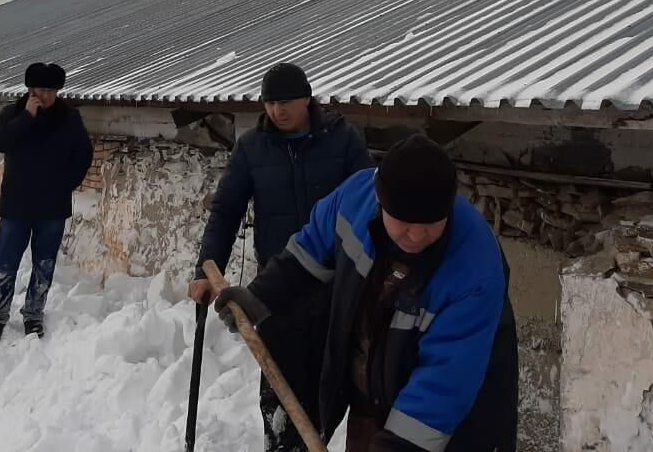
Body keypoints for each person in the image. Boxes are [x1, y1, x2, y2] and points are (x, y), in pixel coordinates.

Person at [215, 134, 519, 452]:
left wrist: (398, 446)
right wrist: (260, 296)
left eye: (430, 223)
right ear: (380, 202)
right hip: (371, 398)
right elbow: (309, 253)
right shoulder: (355, 201)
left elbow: (446, 381)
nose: (416, 235)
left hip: (448, 424)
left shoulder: (474, 267)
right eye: (403, 221)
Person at [189, 62, 374, 452]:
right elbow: (226, 211)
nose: (277, 111)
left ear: (307, 98)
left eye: (286, 101)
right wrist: (207, 266)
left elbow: (371, 205)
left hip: (335, 290)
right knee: (278, 389)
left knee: (334, 389)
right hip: (278, 288)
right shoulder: (252, 148)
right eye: (270, 103)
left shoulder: (343, 142)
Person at [0, 62, 92, 343]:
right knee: (5, 262)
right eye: (41, 89)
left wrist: (65, 184)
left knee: (44, 264)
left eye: (51, 90)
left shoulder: (69, 118)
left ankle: (33, 314)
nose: (46, 95)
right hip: (16, 205)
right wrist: (27, 119)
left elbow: (83, 155)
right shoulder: (13, 113)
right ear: (30, 90)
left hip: (52, 207)